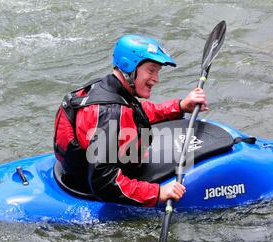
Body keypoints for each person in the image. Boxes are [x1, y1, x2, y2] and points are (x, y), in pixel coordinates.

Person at [54, 34, 208, 207]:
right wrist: (158, 193)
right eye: (151, 70)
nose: (156, 79)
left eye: (158, 72)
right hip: (92, 184)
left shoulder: (108, 87)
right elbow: (104, 183)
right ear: (129, 66)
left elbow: (135, 114)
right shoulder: (109, 113)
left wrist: (179, 106)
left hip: (77, 169)